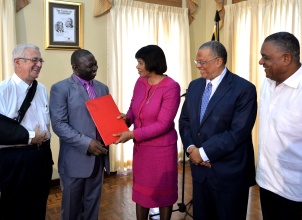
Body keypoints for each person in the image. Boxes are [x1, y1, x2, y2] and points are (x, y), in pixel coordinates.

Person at [178, 41, 257, 220]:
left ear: (218, 61)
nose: (198, 66)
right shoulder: (195, 85)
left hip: (229, 173)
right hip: (200, 173)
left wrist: (204, 153)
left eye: (202, 62)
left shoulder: (244, 89)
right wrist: (192, 149)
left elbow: (238, 132)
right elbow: (184, 121)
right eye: (196, 61)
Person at [256, 32, 302, 220]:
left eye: (266, 57)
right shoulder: (267, 85)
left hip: (296, 193)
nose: (261, 62)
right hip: (266, 184)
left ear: (287, 58)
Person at [113, 45, 181, 220]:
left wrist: (132, 134)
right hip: (142, 150)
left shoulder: (171, 87)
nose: (137, 66)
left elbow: (163, 124)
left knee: (164, 195)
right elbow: (133, 109)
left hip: (162, 151)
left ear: (152, 63)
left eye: (140, 62)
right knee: (141, 194)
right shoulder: (140, 82)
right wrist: (127, 119)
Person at [49, 49, 110, 220]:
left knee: (93, 207)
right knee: (71, 209)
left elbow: (106, 119)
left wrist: (118, 124)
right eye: (90, 66)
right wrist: (87, 143)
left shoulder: (103, 88)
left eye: (95, 63)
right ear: (75, 67)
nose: (95, 68)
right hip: (74, 160)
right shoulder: (60, 89)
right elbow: (59, 125)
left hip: (98, 158)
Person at [0, 43, 53, 219]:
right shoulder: (3, 90)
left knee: (39, 205)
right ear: (18, 62)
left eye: (40, 60)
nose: (39, 64)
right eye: (34, 60)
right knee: (14, 208)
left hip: (42, 157)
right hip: (15, 160)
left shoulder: (42, 89)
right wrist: (31, 137)